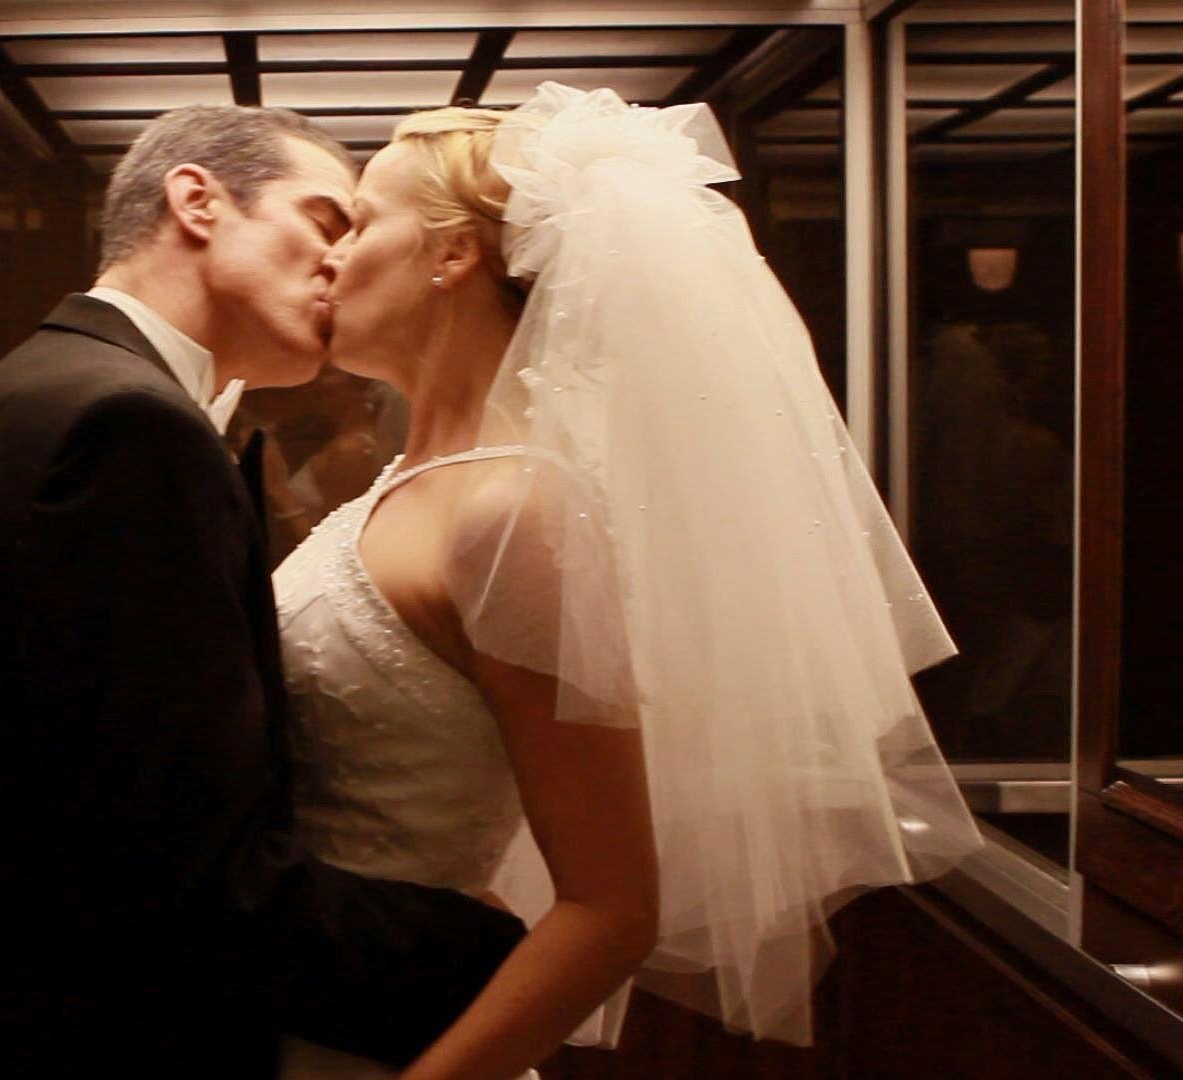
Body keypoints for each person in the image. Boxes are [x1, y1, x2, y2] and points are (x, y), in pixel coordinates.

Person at [272, 83, 984, 1078]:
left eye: (361, 222)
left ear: (451, 252)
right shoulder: (407, 482)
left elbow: (610, 910)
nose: (332, 256)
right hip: (332, 986)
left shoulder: (513, 516)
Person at [0, 105, 528, 1078]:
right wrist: (484, 953)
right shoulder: (124, 427)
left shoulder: (49, 384)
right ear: (198, 201)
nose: (339, 263)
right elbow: (173, 871)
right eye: (324, 221)